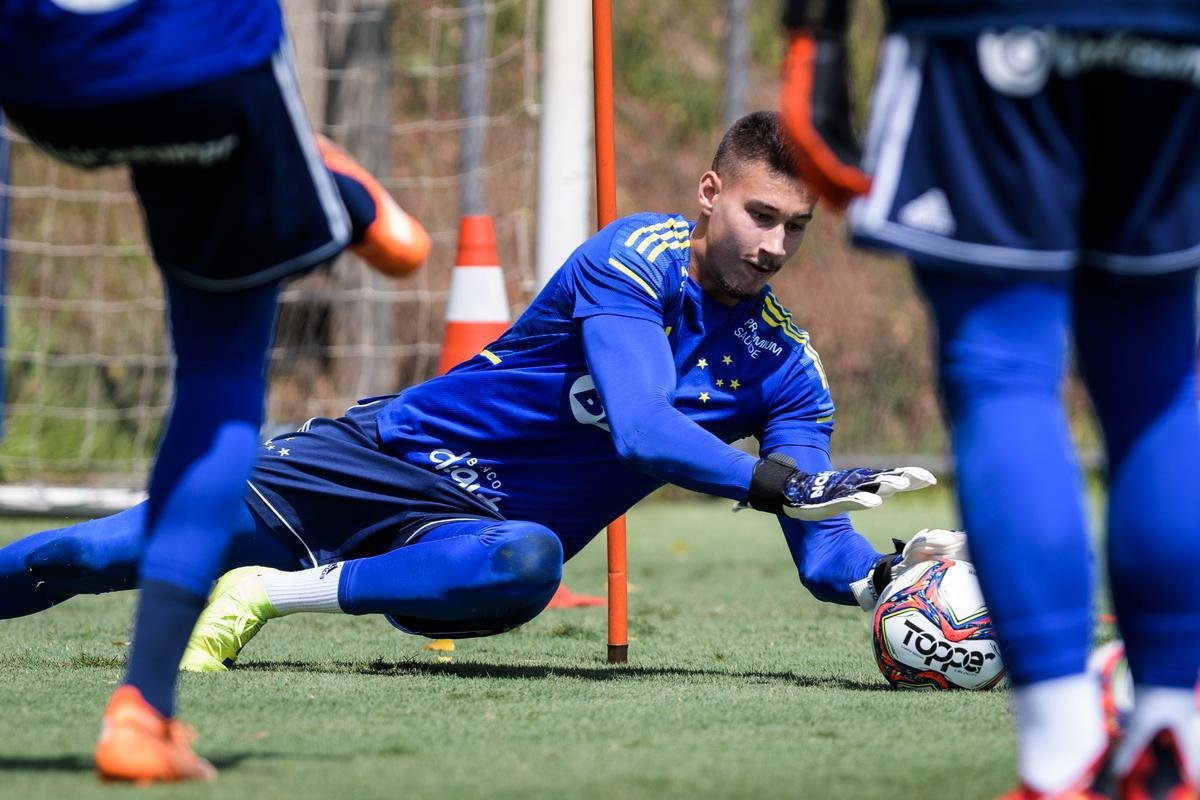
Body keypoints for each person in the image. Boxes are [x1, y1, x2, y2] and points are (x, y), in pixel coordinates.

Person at [0, 110, 955, 683]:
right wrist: (777, 483)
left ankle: (272, 596)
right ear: (710, 193)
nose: (774, 245)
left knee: (530, 564)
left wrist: (877, 577)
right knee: (89, 552)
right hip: (372, 463)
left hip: (464, 547)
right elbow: (641, 429)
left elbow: (819, 537)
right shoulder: (630, 257)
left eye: (796, 227)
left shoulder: (787, 367)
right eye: (759, 214)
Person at [0, 0, 429, 783]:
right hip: (201, 69)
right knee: (222, 377)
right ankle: (142, 712)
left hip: (44, 80)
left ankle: (327, 186)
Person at [780, 2, 1200, 798]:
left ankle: (1060, 754)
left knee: (1002, 370)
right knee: (1160, 372)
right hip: (1172, 30)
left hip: (989, 27)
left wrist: (815, 28)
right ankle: (1176, 734)